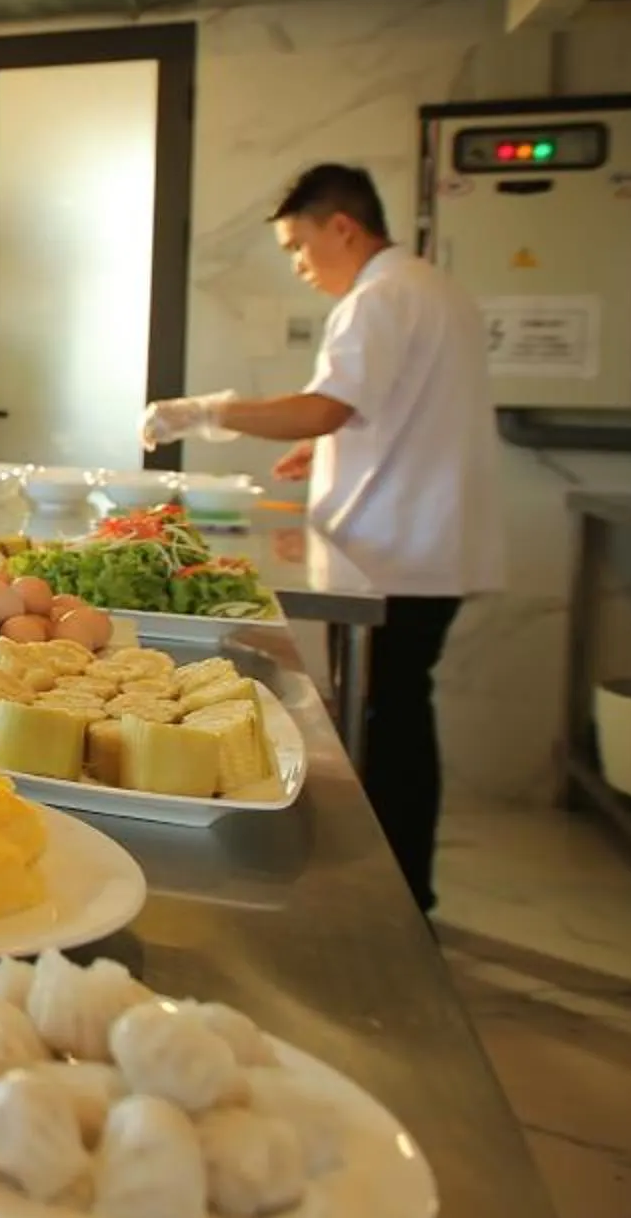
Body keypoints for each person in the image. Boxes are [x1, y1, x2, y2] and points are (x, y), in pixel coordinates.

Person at [137, 162, 502, 913]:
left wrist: (203, 412)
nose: (300, 266)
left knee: (391, 716)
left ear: (342, 226)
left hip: (401, 551)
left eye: (299, 246)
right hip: (421, 541)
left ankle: (397, 897)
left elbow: (324, 406)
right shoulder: (431, 289)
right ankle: (402, 886)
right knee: (397, 707)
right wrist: (331, 448)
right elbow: (396, 412)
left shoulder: (379, 297)